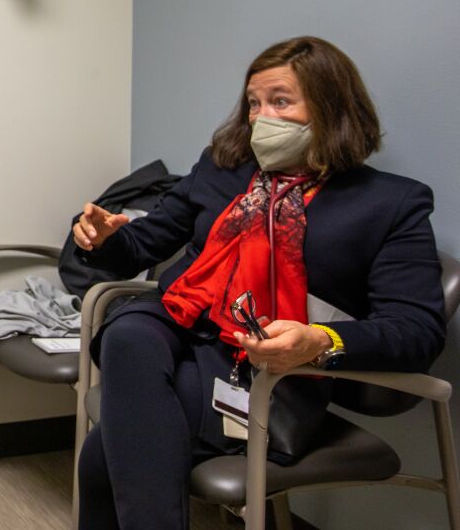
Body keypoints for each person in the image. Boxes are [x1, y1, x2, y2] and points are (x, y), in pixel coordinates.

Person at [71, 36, 445, 530]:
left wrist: (320, 340)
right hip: (179, 322)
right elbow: (142, 245)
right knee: (126, 333)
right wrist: (103, 239)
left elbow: (417, 329)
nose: (259, 116)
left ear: (331, 107)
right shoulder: (222, 169)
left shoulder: (390, 203)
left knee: (101, 457)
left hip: (260, 361)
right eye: (253, 102)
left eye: (280, 101)